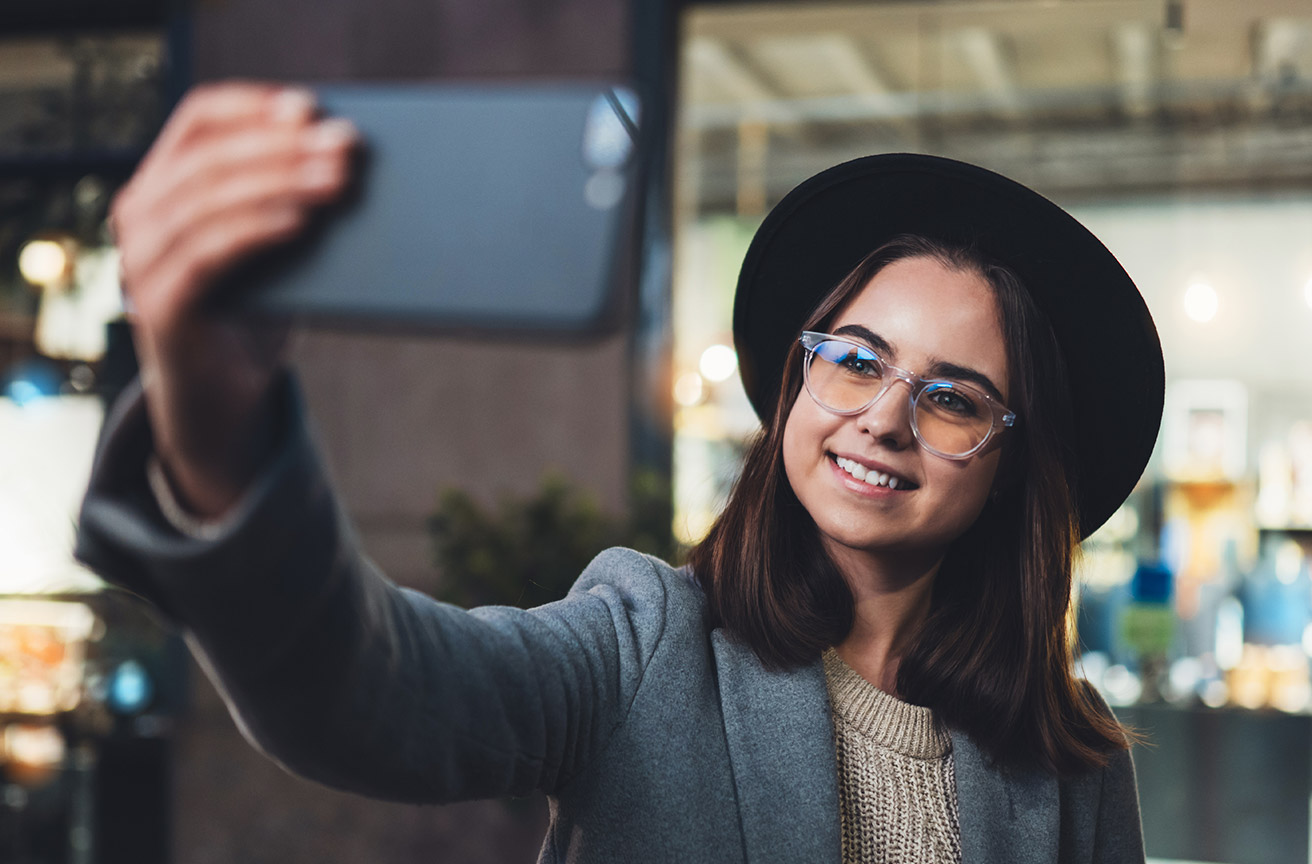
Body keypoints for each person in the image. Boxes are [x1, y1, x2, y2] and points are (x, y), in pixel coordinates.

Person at [76, 83, 1164, 863]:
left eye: (953, 396)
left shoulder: (1070, 759)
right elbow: (370, 694)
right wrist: (217, 419)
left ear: (1014, 463)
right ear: (796, 384)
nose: (882, 419)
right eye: (854, 360)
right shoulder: (646, 642)